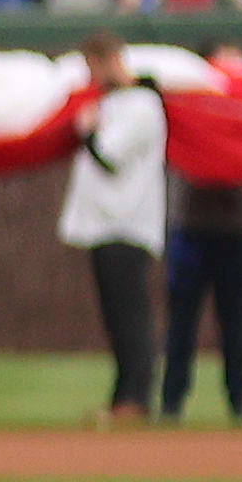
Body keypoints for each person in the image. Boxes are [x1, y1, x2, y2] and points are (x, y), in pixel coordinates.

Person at [63, 33, 164, 426]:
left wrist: (87, 130)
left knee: (130, 314)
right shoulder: (116, 102)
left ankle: (136, 397)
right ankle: (123, 394)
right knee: (115, 314)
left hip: (127, 223)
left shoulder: (142, 105)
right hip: (104, 224)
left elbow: (109, 156)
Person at [165, 89, 242, 426]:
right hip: (190, 233)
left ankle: (240, 402)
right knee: (181, 323)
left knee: (235, 323)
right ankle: (171, 402)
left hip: (236, 234)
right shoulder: (185, 113)